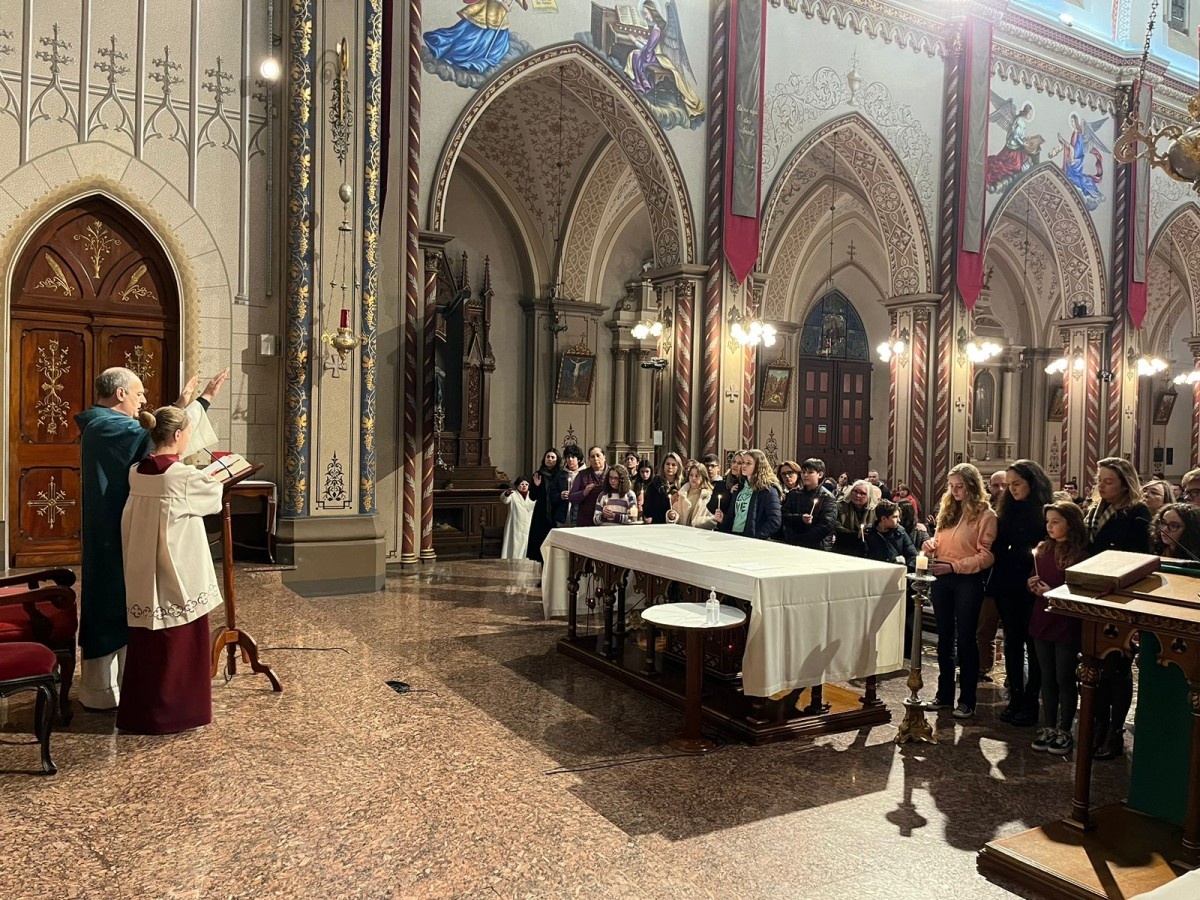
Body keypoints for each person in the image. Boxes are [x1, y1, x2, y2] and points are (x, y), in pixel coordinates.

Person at [75, 366, 227, 711]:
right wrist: (200, 402)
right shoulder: (108, 425)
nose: (143, 400)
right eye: (140, 393)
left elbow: (153, 436)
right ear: (120, 394)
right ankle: (103, 690)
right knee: (114, 600)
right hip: (114, 530)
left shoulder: (105, 424)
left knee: (122, 600)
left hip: (121, 522)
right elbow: (160, 439)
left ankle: (117, 685)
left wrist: (185, 403)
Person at [116, 406, 224, 734]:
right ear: (177, 436)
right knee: (179, 641)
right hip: (176, 574)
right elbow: (214, 498)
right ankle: (178, 714)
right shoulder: (183, 477)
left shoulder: (136, 471)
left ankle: (141, 712)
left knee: (148, 644)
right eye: (187, 433)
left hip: (143, 571)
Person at [1086, 457, 1151, 760]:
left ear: (1125, 483)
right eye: (1099, 479)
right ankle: (1097, 725)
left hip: (1120, 597)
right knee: (1093, 665)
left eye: (1108, 481)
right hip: (1090, 595)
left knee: (1117, 667)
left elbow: (1139, 558)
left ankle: (1114, 731)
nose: (1100, 485)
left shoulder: (1137, 513)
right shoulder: (1095, 509)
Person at [921, 463, 997, 719]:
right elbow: (942, 539)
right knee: (944, 637)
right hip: (943, 578)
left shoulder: (986, 515)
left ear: (972, 486)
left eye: (960, 486)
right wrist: (932, 544)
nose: (954, 491)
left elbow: (985, 556)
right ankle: (943, 695)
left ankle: (967, 699)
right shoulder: (949, 509)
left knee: (966, 638)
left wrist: (955, 565)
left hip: (967, 580)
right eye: (951, 486)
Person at [992, 460, 1055, 727]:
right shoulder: (1007, 509)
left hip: (1032, 583)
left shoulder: (1044, 512)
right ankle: (1015, 696)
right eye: (1009, 485)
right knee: (1012, 642)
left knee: (1033, 644)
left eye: (1017, 484)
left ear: (1033, 482)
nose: (1012, 489)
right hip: (1008, 582)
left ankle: (1031, 699)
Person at [1027, 501, 1089, 755]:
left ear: (1070, 524)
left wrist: (1052, 592)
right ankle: (1048, 725)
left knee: (1065, 676)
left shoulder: (1081, 554)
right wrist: (1031, 585)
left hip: (1065, 620)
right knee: (1046, 676)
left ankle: (1065, 729)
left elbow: (1079, 589)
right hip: (1042, 617)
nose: (1049, 526)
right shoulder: (1043, 549)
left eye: (1056, 522)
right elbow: (1036, 577)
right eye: (1048, 522)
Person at [714, 449, 780, 540]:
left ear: (758, 466)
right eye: (743, 462)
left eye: (748, 463)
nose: (744, 466)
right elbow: (734, 515)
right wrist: (723, 519)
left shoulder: (768, 490)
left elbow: (774, 521)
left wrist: (757, 537)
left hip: (752, 540)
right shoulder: (739, 488)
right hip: (733, 536)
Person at [780, 458, 837, 550]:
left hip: (817, 546)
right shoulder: (794, 494)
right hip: (793, 543)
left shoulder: (827, 497)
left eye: (810, 472)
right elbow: (784, 516)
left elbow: (827, 524)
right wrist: (800, 518)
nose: (805, 475)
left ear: (820, 474)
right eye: (803, 472)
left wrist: (803, 540)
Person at [527, 449, 567, 564]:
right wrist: (537, 486)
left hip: (555, 512)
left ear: (557, 460)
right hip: (541, 513)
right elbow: (533, 497)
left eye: (552, 457)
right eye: (548, 457)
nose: (550, 459)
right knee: (540, 544)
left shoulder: (561, 474)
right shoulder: (538, 474)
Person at [864, 499, 917, 566]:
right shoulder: (868, 533)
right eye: (895, 517)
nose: (899, 520)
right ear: (884, 519)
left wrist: (905, 569)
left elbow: (912, 555)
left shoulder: (900, 532)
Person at [568, 446, 608, 528]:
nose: (595, 459)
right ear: (589, 459)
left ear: (604, 457)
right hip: (586, 519)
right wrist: (584, 492)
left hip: (608, 519)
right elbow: (571, 498)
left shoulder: (612, 473)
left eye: (598, 455)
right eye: (592, 457)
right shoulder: (582, 474)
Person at [834, 480, 875, 556]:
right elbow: (836, 526)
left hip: (867, 551)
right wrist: (856, 535)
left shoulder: (874, 511)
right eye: (855, 491)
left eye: (862, 493)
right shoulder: (840, 507)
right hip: (843, 548)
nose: (858, 495)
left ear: (869, 496)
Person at [670, 461, 716, 529]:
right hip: (682, 532)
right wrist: (673, 516)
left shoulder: (709, 495)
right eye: (691, 475)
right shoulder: (682, 493)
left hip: (699, 533)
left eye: (697, 476)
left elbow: (714, 518)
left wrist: (697, 523)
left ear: (703, 477)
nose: (693, 478)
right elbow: (675, 511)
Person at [642, 452, 684, 524]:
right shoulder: (655, 484)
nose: (670, 467)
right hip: (659, 524)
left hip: (679, 525)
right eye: (667, 464)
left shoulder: (683, 485)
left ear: (678, 467)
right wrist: (668, 502)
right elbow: (647, 511)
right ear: (663, 465)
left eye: (673, 465)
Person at [500, 477, 536, 559]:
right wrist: (507, 493)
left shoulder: (532, 495)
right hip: (515, 524)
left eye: (526, 484)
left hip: (528, 524)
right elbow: (504, 500)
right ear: (516, 485)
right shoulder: (513, 494)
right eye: (522, 484)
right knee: (515, 546)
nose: (524, 486)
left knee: (526, 545)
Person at [561, 446, 583, 526]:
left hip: (579, 512)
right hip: (563, 514)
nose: (570, 460)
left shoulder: (584, 474)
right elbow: (553, 493)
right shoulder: (561, 474)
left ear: (579, 459)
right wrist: (560, 495)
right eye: (568, 457)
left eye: (573, 457)